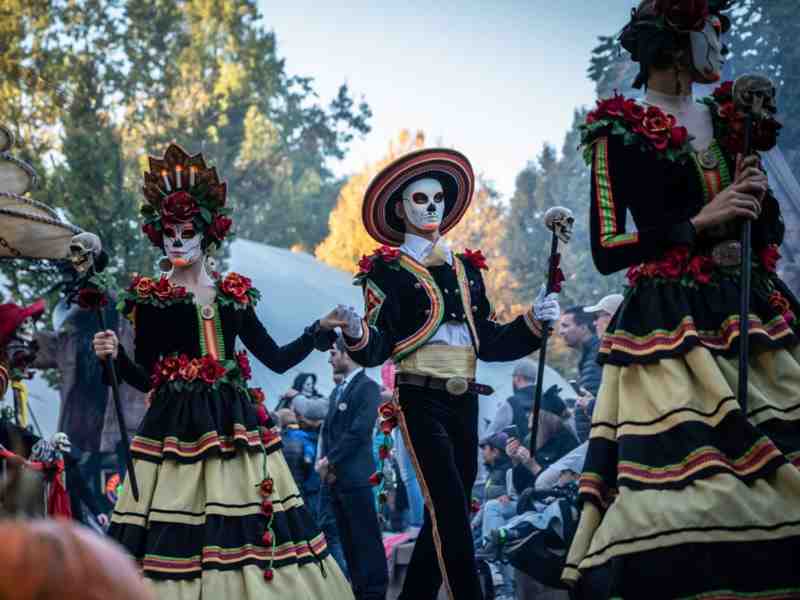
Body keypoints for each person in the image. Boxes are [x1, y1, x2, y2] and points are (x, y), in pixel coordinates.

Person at [564, 1, 800, 597]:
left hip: (752, 308)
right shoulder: (616, 128)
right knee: (686, 498)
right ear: (672, 43)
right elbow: (609, 248)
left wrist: (754, 194)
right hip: (668, 329)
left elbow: (765, 231)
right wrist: (701, 219)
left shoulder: (730, 121)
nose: (721, 44)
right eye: (709, 31)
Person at [92, 144, 353, 600]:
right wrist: (111, 357)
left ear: (206, 235)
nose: (177, 240)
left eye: (186, 231)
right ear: (159, 235)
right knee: (175, 525)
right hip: (174, 431)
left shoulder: (233, 295)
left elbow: (274, 357)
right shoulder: (150, 299)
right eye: (169, 232)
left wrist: (318, 329)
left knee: (247, 524)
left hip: (235, 426)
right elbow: (144, 377)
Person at [336, 148, 561, 600]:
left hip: (466, 399)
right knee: (452, 510)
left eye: (437, 197)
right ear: (400, 208)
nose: (432, 206)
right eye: (420, 199)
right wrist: (359, 330)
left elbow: (490, 341)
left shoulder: (466, 269)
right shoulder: (386, 270)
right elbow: (378, 345)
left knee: (449, 510)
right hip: (419, 398)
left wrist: (534, 320)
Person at [317, 336, 388, 600]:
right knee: (348, 542)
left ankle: (375, 593)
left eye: (333, 352)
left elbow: (359, 431)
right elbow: (330, 431)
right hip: (338, 480)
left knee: (366, 542)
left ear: (347, 354)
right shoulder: (338, 391)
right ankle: (358, 591)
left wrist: (329, 459)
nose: (330, 358)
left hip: (358, 478)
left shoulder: (368, 388)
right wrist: (326, 461)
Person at [506, 385, 579, 496]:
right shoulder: (532, 442)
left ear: (546, 422)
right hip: (530, 501)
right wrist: (516, 462)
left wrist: (534, 467)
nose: (530, 430)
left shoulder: (568, 444)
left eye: (534, 425)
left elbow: (560, 487)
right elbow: (520, 489)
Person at [558, 307, 602, 443]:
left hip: (597, 439)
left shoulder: (598, 355)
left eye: (565, 326)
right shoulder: (588, 356)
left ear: (583, 328)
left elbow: (595, 398)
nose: (560, 332)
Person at [486, 358, 537, 440]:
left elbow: (488, 436)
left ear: (518, 378)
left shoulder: (511, 402)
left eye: (513, 377)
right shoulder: (546, 399)